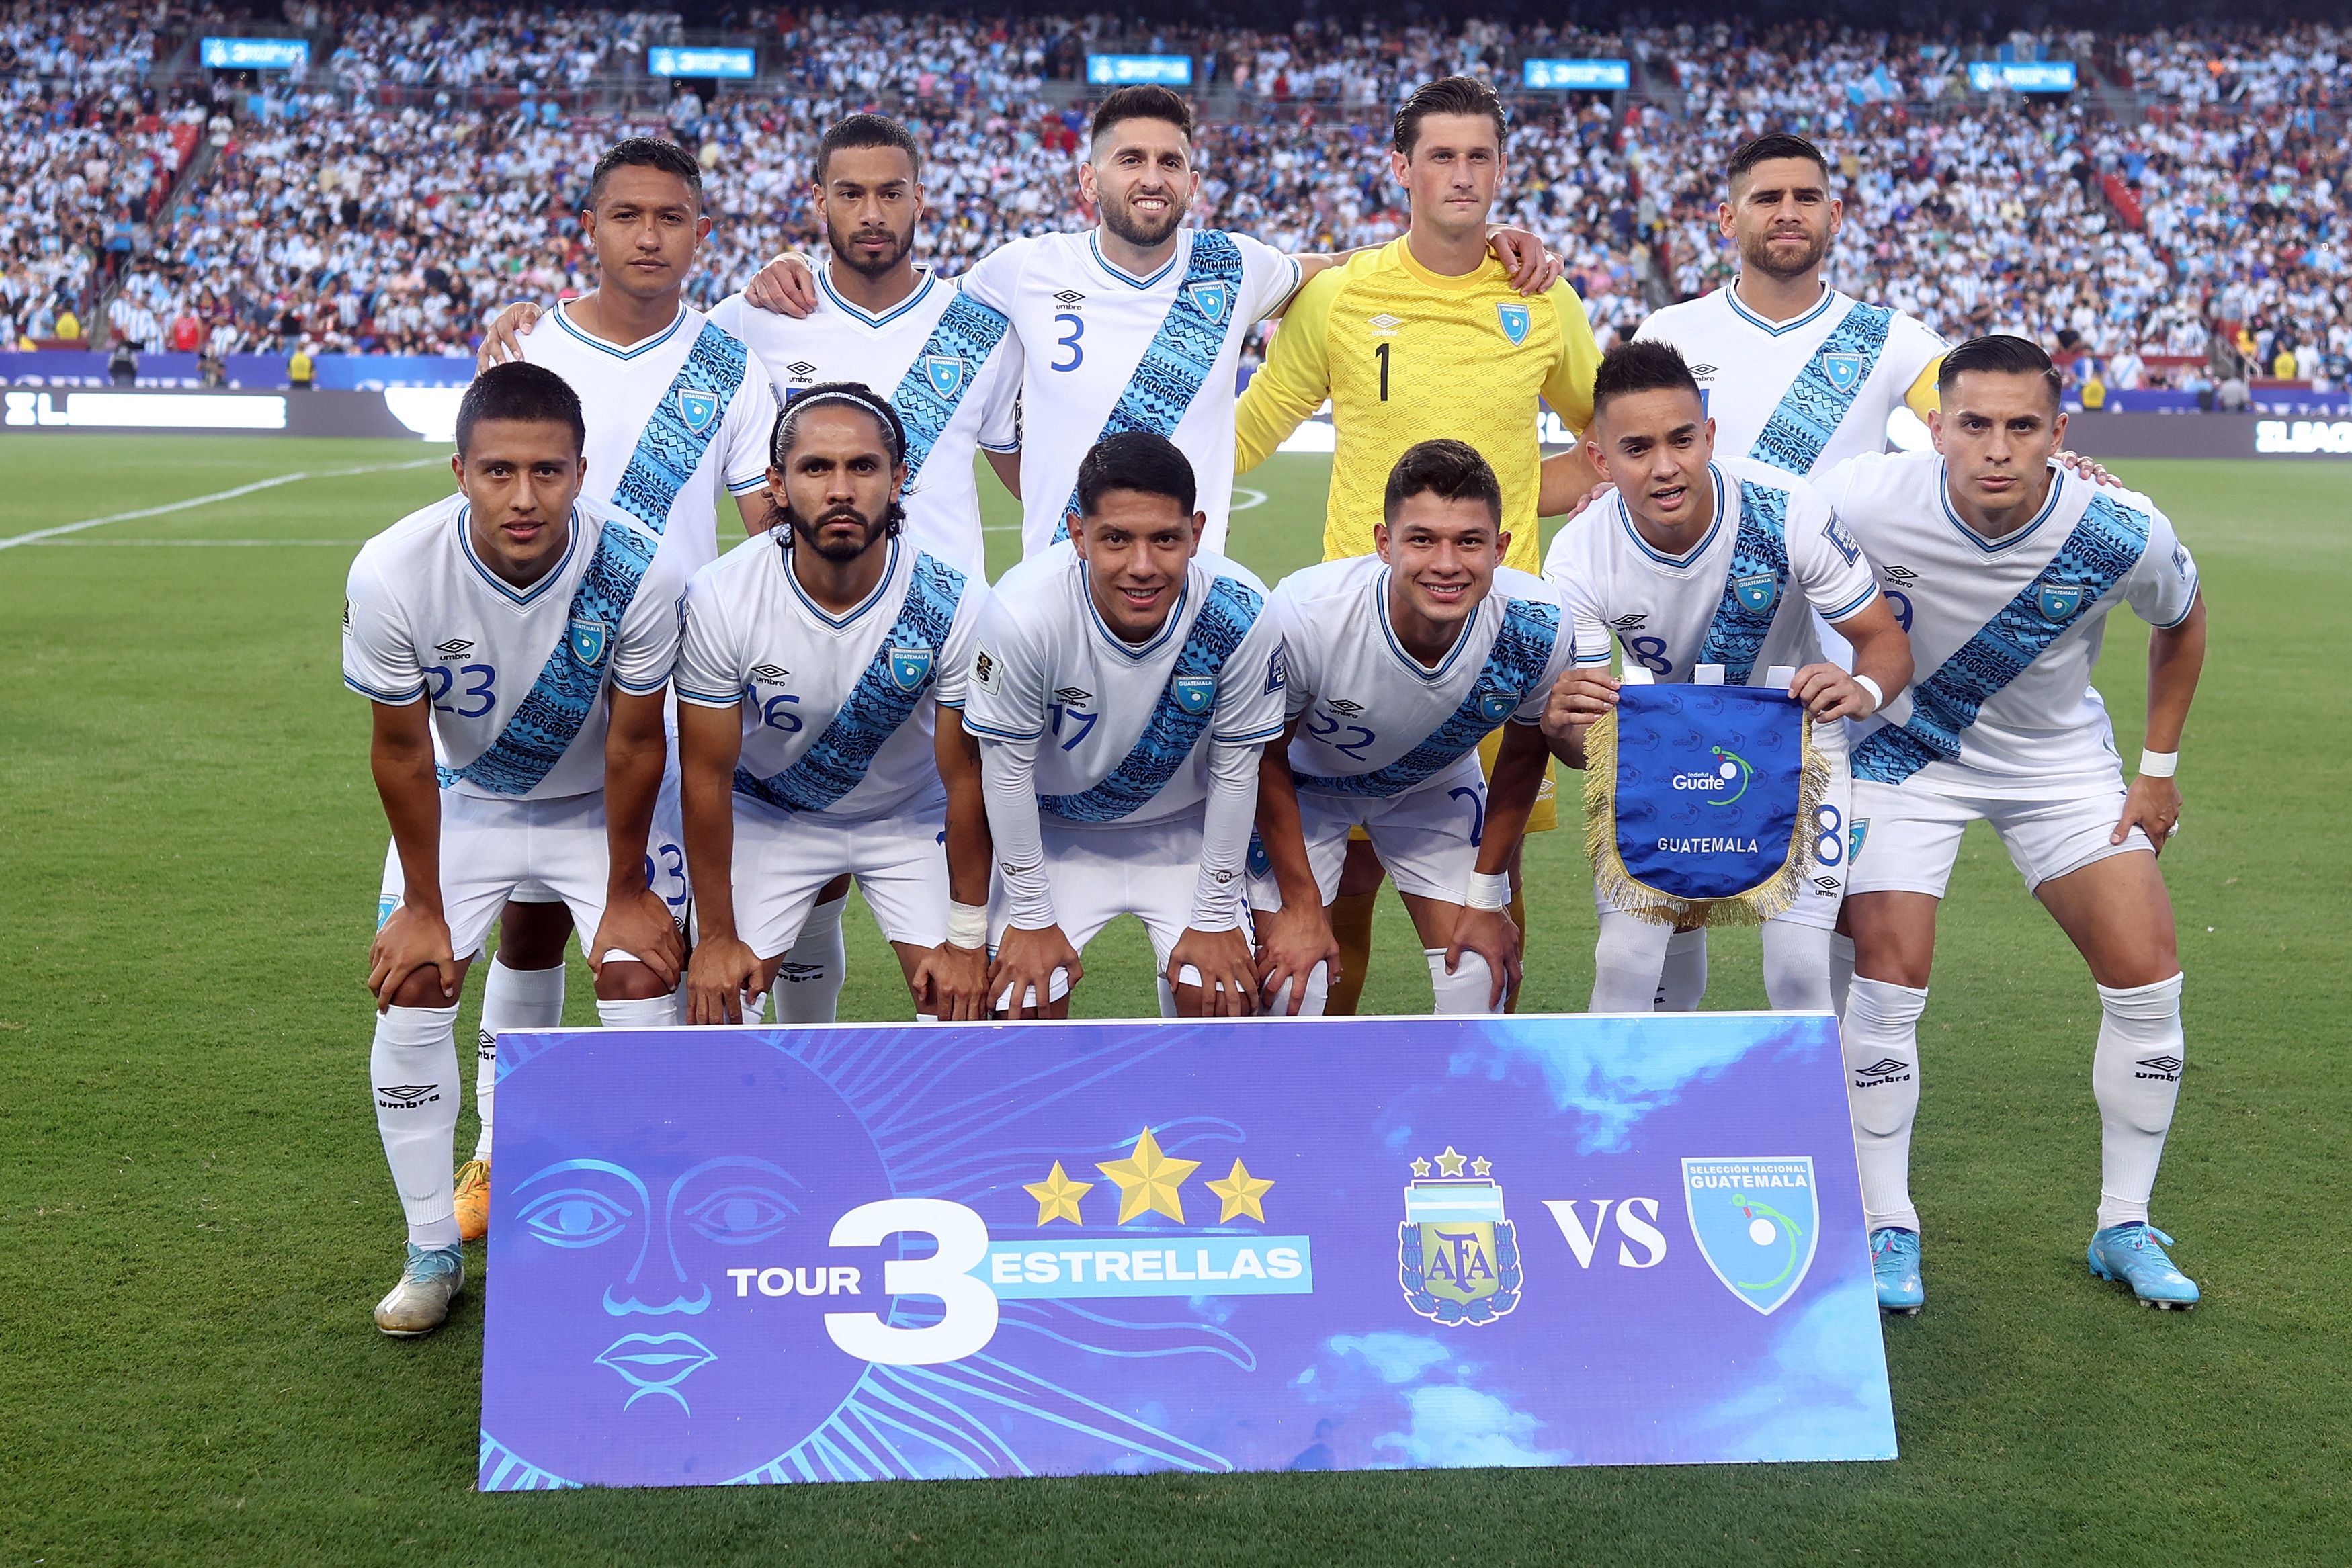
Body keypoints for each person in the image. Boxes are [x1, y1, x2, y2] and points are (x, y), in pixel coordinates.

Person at [486, 113, 1021, 1029]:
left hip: (925, 663)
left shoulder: (982, 329)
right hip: (703, 665)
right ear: (816, 203)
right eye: (849, 192)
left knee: (958, 968)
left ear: (921, 200)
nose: (871, 209)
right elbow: (768, 521)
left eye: (891, 191)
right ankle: (508, 1145)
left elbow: (1032, 475)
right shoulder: (750, 324)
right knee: (571, 926)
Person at [744, 83, 1559, 560]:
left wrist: (1483, 238)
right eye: (1129, 159)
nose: (1150, 176)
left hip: (1191, 582)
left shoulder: (1234, 266)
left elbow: (1345, 264)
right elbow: (900, 304)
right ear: (1087, 176)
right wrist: (790, 269)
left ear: (1192, 181)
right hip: (1059, 582)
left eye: (1168, 161)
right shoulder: (1020, 270)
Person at [1816, 335, 2206, 1313]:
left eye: (2023, 427)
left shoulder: (2119, 526)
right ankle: (1885, 1223)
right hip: (1907, 759)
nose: (1997, 447)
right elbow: (1764, 541)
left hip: (2058, 765)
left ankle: (2126, 1223)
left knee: (2149, 975)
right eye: (1975, 425)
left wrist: (2157, 770)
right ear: (1936, 427)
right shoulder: (1865, 494)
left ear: (2058, 434)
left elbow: (2184, 619)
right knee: (1889, 976)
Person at [454, 136, 780, 1238]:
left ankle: (683, 1152)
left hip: (679, 690)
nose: (650, 236)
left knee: (665, 938)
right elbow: (482, 524)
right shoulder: (524, 352)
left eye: (672, 217)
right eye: (628, 215)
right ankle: (500, 1149)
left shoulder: (731, 365)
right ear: (588, 226)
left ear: (701, 233)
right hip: (542, 690)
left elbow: (759, 539)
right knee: (530, 923)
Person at [1230, 75, 1605, 1016]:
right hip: (1360, 645)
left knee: (1494, 885)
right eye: (1441, 154)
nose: (1463, 174)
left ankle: (1473, 1097)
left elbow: (1608, 443)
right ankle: (1327, 1091)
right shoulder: (1344, 296)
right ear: (1402, 167)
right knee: (1341, 893)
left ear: (1503, 168)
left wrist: (1522, 497)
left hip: (1491, 651)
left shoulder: (1543, 299)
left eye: (1480, 155)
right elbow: (1242, 435)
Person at [341, 363, 689, 1336]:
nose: (524, 497)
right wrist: (421, 906)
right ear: (460, 470)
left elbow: (635, 742)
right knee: (413, 981)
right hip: (470, 804)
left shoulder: (642, 567)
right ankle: (430, 1249)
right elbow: (403, 749)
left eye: (547, 471)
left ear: (582, 472)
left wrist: (627, 890)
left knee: (634, 970)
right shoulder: (392, 569)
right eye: (499, 472)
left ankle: (652, 1225)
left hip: (601, 810)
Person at [1538, 341, 1912, 1012]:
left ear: (1708, 435)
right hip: (1656, 746)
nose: (1664, 467)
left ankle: (1805, 1117)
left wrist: (1864, 689)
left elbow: (1882, 642)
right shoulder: (1576, 555)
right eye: (1635, 449)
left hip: (1792, 739)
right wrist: (1561, 725)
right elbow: (1580, 742)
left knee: (1800, 970)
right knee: (1624, 963)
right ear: (1598, 459)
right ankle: (1627, 1114)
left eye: (1681, 440)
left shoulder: (1786, 508)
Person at [675, 383, 994, 1025]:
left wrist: (965, 938)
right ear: (777, 484)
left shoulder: (954, 600)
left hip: (908, 813)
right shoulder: (720, 596)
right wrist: (713, 938)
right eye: (816, 467)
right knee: (714, 1006)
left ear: (899, 480)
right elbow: (705, 776)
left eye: (864, 467)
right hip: (770, 810)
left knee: (967, 1004)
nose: (841, 489)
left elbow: (968, 780)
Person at [961, 431, 1288, 1020]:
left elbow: (1239, 773)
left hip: (1184, 830)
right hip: (1054, 833)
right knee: (1016, 1004)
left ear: (1198, 532)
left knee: (1227, 998)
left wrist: (1214, 918)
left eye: (1166, 539)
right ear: (1078, 535)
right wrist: (1031, 918)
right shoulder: (1022, 614)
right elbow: (1004, 777)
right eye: (1116, 539)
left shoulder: (1240, 610)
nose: (1142, 567)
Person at [1250, 440, 1574, 1017]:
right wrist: (1301, 906)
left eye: (1469, 541)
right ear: (1383, 543)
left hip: (1431, 789)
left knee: (1479, 977)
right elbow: (1263, 754)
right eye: (1422, 539)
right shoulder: (1309, 613)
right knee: (1287, 987)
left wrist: (1485, 898)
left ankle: (1458, 1109)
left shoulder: (1536, 625)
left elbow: (1525, 754)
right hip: (1303, 794)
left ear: (1500, 548)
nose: (1446, 564)